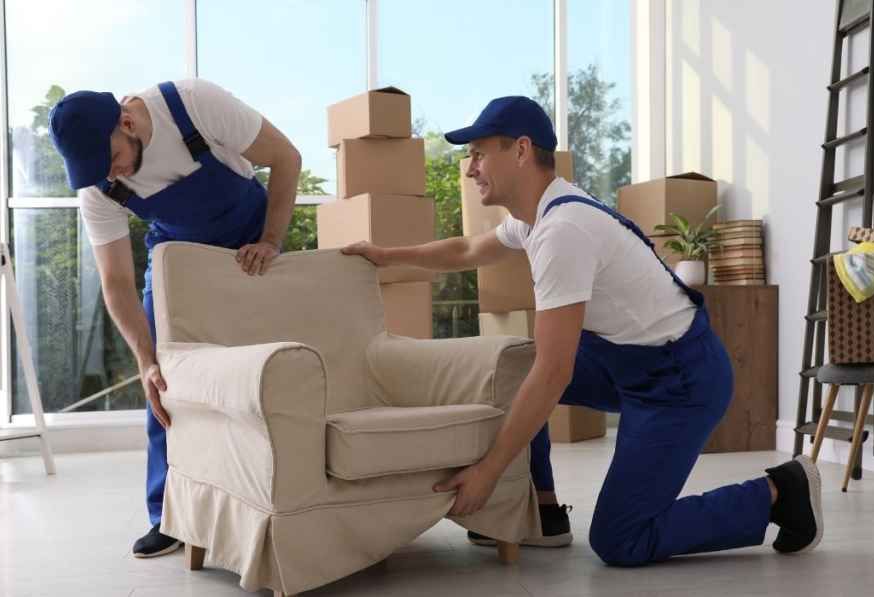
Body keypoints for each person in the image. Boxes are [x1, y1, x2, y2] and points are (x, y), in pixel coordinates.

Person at [343, 96, 822, 565]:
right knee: (510, 368)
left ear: (521, 150)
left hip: (679, 382)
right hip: (630, 362)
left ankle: (780, 492)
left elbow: (555, 372)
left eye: (478, 153)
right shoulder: (536, 219)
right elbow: (467, 250)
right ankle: (544, 511)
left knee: (621, 539)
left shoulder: (563, 232)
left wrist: (488, 472)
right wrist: (387, 256)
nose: (470, 169)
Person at [49, 78, 302, 558]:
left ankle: (277, 494)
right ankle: (168, 514)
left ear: (127, 122)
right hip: (176, 256)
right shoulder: (98, 186)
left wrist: (271, 239)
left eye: (113, 160)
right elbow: (117, 283)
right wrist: (146, 360)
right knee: (164, 382)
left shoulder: (193, 105)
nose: (112, 175)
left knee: (276, 371)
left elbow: (286, 157)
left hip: (251, 241)